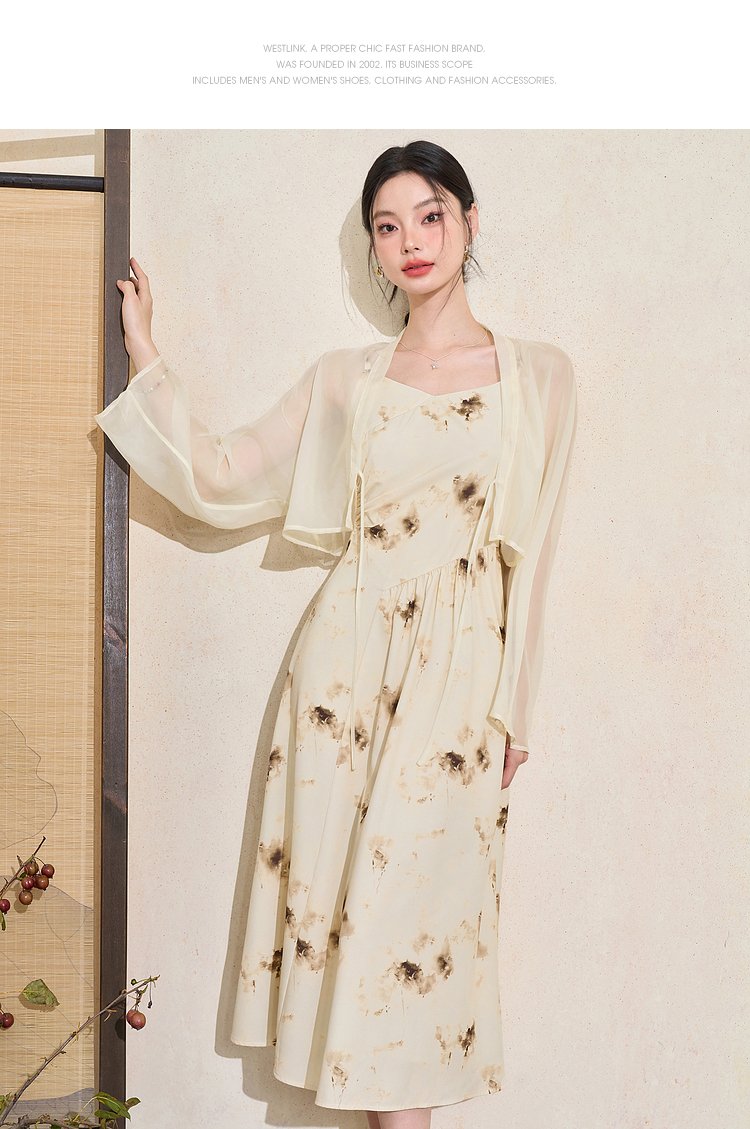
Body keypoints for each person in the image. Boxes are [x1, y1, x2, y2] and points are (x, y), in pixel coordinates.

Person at [96, 140, 577, 1128]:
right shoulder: (348, 379)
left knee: (409, 941)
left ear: (469, 221)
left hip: (459, 679)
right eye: (387, 226)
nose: (411, 241)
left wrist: (513, 708)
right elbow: (225, 474)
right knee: (353, 950)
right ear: (373, 246)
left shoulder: (539, 376)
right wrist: (147, 353)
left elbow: (534, 555)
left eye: (430, 215)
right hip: (342, 674)